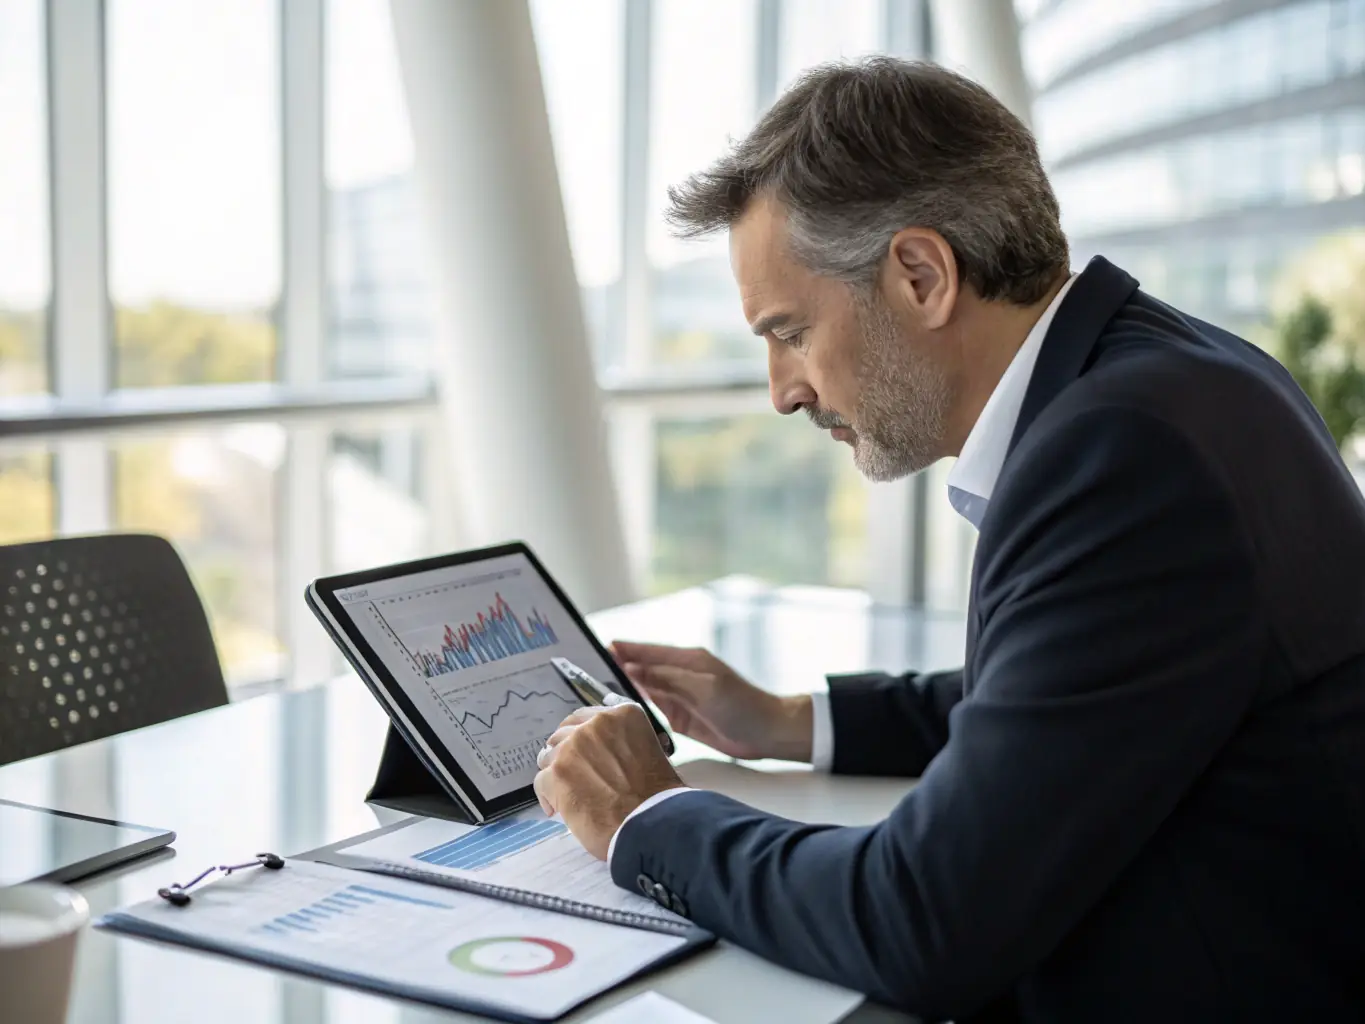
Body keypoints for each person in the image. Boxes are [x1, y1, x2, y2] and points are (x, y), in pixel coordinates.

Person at [532, 58, 1365, 1022]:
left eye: (790, 331)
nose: (782, 390)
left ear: (920, 275)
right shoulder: (1178, 371)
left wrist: (644, 814)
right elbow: (1065, 701)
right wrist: (787, 722)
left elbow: (922, 922)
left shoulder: (1117, 453)